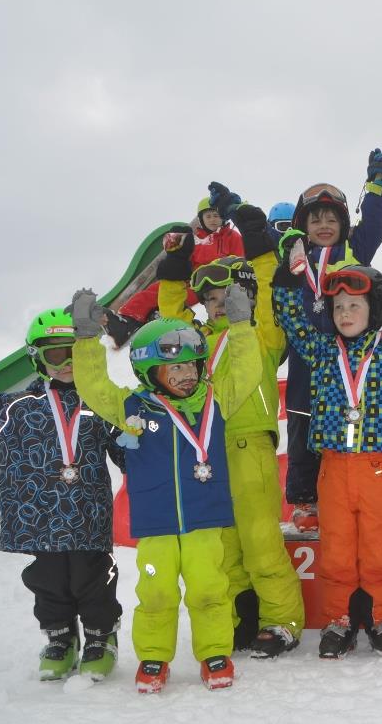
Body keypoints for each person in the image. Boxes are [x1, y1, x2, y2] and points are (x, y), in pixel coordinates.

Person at [71, 286, 260, 692]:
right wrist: (87, 339)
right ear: (149, 373)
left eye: (191, 366)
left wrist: (242, 327)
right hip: (156, 524)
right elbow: (94, 387)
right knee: (155, 591)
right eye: (174, 370)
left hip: (205, 520)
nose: (186, 375)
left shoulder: (217, 400)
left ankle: (214, 652)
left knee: (211, 588)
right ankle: (154, 658)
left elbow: (245, 373)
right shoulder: (134, 409)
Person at [272, 244, 382, 659]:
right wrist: (286, 277)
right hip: (333, 468)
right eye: (338, 307)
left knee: (379, 548)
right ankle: (339, 620)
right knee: (336, 548)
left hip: (378, 467)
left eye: (354, 305)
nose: (345, 314)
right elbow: (291, 321)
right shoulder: (321, 352)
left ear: (375, 308)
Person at [157, 201, 305, 658]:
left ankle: (282, 620)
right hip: (209, 451)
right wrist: (176, 267)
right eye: (213, 300)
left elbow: (266, 292)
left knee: (260, 537)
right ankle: (243, 618)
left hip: (249, 444)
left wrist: (260, 246)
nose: (221, 305)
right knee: (224, 542)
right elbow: (170, 324)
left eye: (229, 296)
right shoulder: (198, 343)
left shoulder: (261, 334)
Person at [0, 309, 123, 682]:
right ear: (38, 358)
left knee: (92, 580)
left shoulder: (103, 403)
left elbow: (129, 450)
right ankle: (60, 639)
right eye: (56, 355)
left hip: (87, 517)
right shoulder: (18, 408)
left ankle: (99, 637)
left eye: (76, 352)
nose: (67, 364)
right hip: (37, 516)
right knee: (48, 581)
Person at [279, 154, 382, 535]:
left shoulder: (354, 251)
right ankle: (304, 502)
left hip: (346, 359)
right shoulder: (294, 259)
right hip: (304, 355)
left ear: (344, 223)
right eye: (316, 219)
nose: (324, 226)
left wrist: (377, 183)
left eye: (332, 219)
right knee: (301, 424)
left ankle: (347, 496)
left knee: (341, 426)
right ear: (303, 225)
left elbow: (375, 224)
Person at [105, 183, 245, 346]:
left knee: (180, 297)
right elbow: (186, 261)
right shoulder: (196, 240)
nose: (213, 220)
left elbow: (238, 260)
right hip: (191, 280)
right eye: (208, 217)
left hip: (212, 284)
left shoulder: (231, 236)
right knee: (156, 289)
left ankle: (152, 317)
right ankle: (127, 319)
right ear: (201, 220)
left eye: (216, 216)